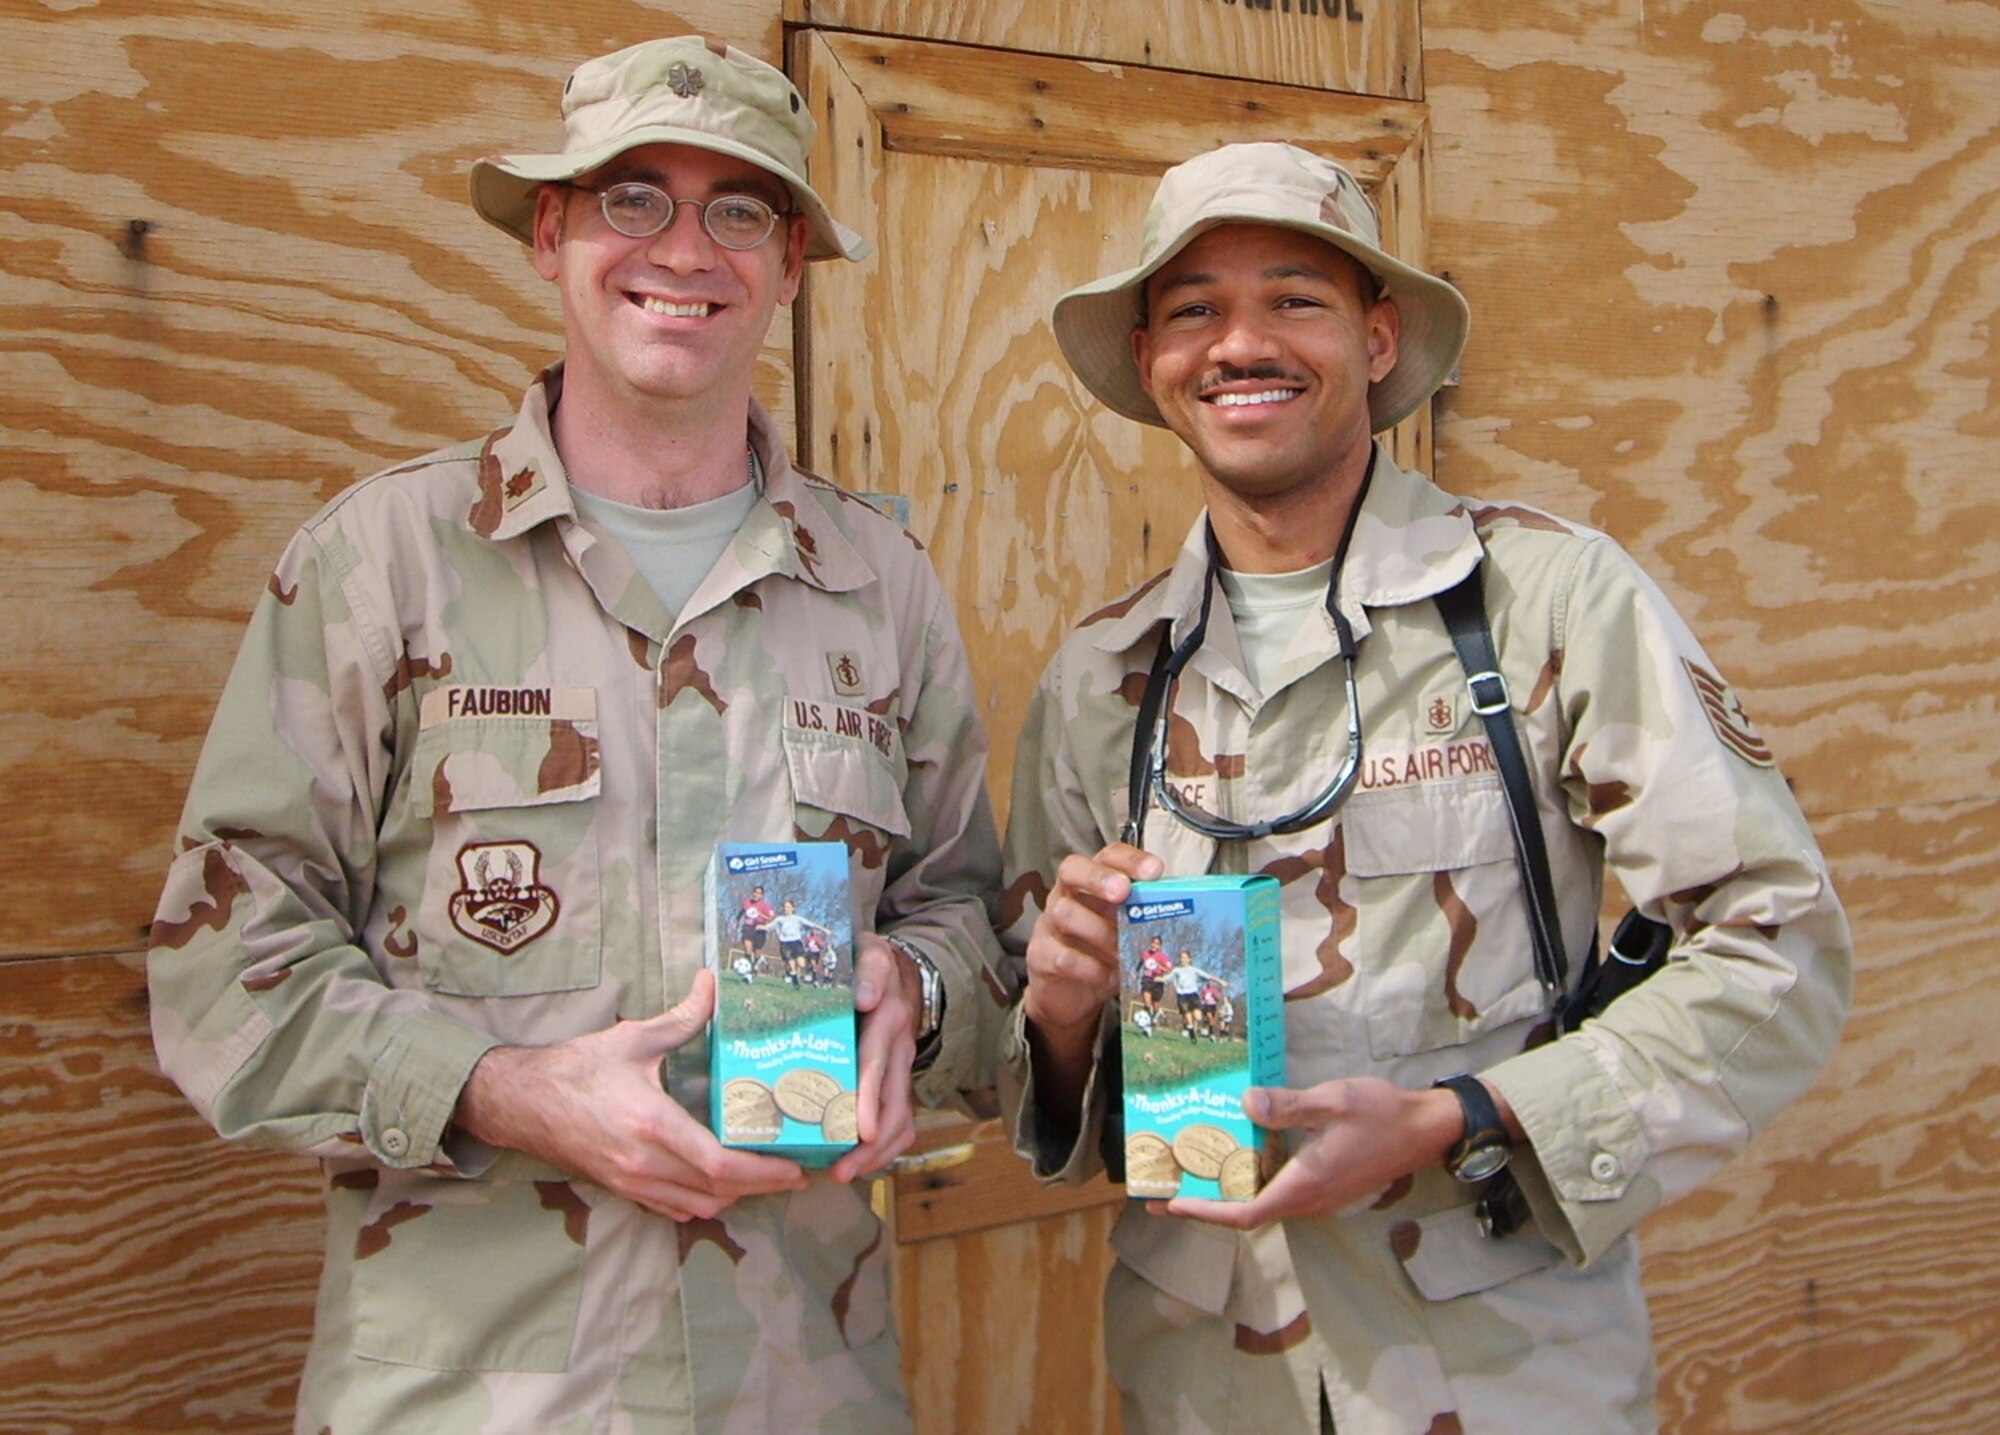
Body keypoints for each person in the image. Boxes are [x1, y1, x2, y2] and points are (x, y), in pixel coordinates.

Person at [147, 35, 1003, 1434]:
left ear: (790, 265)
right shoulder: (386, 563)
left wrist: (917, 991)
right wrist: (503, 1090)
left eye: (740, 208)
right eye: (631, 197)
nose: (684, 246)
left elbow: (964, 912)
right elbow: (221, 964)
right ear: (549, 233)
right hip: (473, 1393)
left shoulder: (876, 581)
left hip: (802, 1386)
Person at [998, 142, 1851, 1434]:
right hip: (1206, 1387)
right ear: (1155, 359)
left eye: (1295, 298)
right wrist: (1061, 1016)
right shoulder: (1102, 680)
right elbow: (1042, 1088)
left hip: (1502, 1373)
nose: (1242, 343)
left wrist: (1468, 1114)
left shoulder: (1545, 602)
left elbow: (1779, 946)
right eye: (1193, 310)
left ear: (1380, 338)